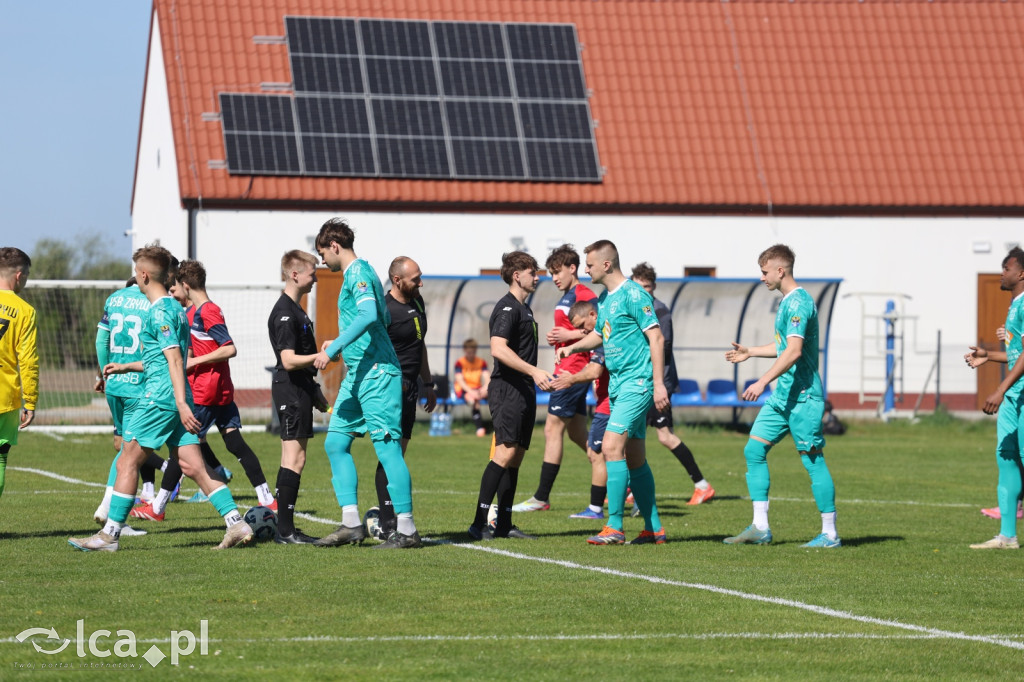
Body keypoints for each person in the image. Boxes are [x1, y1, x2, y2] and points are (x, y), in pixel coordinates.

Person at [69, 245, 252, 551]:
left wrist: (179, 404)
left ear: (143, 275)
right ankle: (236, 523)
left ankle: (109, 535)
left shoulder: (161, 311)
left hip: (161, 399)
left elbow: (176, 361)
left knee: (128, 459)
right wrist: (127, 365)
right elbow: (166, 356)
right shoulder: (176, 309)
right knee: (195, 467)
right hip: (176, 396)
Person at [311, 218, 421, 549]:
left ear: (334, 246)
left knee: (387, 449)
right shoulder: (363, 274)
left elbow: (370, 314)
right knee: (335, 443)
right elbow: (379, 320)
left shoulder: (358, 272)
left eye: (322, 254)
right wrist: (345, 341)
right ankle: (350, 525)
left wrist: (334, 346)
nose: (322, 262)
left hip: (377, 374)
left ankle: (407, 530)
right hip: (357, 374)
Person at [723, 244, 840, 548]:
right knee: (753, 451)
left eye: (764, 272)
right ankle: (760, 527)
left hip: (803, 399)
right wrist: (750, 352)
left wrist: (761, 381)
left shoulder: (799, 302)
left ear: (780, 270)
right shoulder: (787, 302)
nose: (761, 278)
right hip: (782, 397)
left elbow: (795, 351)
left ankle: (830, 534)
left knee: (813, 461)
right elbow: (783, 347)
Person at [557, 240, 668, 545]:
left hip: (637, 383)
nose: (585, 270)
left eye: (589, 264)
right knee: (634, 458)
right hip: (619, 386)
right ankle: (654, 528)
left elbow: (656, 338)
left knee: (610, 448)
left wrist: (658, 384)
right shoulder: (605, 298)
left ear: (606, 264)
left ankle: (615, 527)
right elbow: (598, 335)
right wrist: (572, 347)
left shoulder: (634, 294)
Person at [467, 251, 552, 540]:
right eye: (533, 272)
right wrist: (534, 371)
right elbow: (498, 348)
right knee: (503, 453)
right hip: (508, 389)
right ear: (517, 275)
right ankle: (479, 523)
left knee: (514, 456)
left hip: (524, 390)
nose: (537, 277)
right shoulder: (507, 308)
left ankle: (503, 524)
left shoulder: (524, 309)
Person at [513, 244, 595, 513]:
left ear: (573, 268)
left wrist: (568, 337)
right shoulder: (569, 294)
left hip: (573, 371)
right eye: (551, 273)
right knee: (576, 433)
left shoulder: (584, 294)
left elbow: (599, 330)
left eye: (557, 272)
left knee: (551, 430)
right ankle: (621, 480)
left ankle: (541, 498)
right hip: (569, 366)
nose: (554, 278)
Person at [630, 262, 715, 506]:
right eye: (638, 287)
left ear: (653, 287)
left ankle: (702, 485)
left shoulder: (660, 311)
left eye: (646, 287)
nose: (643, 291)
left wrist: (661, 386)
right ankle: (631, 488)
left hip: (658, 383)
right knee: (635, 436)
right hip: (640, 382)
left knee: (664, 437)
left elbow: (661, 346)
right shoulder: (636, 307)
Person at [92, 275, 167, 529]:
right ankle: (112, 515)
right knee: (128, 453)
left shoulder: (114, 298)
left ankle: (109, 510)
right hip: (141, 384)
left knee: (124, 447)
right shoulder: (154, 302)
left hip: (115, 383)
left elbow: (101, 341)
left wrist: (104, 373)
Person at [267, 249, 329, 544]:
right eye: (311, 273)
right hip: (289, 388)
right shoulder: (284, 312)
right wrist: (322, 355)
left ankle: (285, 527)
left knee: (292, 458)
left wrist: (314, 390)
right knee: (295, 458)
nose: (315, 278)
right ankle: (286, 531)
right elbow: (289, 360)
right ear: (294, 274)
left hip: (299, 389)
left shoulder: (298, 309)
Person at [964, 246, 1024, 549]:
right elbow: (1017, 355)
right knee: (1007, 459)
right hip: (1014, 397)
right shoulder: (1014, 305)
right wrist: (988, 356)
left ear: (1020, 273)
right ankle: (1007, 536)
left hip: (1019, 395)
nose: (1002, 273)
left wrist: (999, 389)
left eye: (1006, 268)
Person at [374, 255, 438, 539]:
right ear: (397, 280)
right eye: (415, 279)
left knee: (398, 454)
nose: (420, 283)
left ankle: (393, 522)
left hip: (412, 387)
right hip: (390, 390)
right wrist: (390, 382)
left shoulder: (417, 302)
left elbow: (418, 344)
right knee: (389, 456)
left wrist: (428, 382)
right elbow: (372, 353)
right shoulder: (384, 310)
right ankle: (389, 524)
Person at [551, 299, 610, 520]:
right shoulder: (604, 333)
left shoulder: (605, 334)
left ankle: (596, 508)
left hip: (610, 403)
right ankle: (634, 499)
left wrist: (571, 379)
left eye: (582, 325)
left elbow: (594, 370)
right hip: (612, 400)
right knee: (619, 454)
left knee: (596, 452)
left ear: (594, 315)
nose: (581, 331)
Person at [0, 247, 37, 505]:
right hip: (5, 397)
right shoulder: (24, 311)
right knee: (0, 457)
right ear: (19, 275)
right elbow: (28, 361)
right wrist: (30, 402)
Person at [453, 339, 489, 436]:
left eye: (473, 352)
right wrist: (471, 392)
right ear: (464, 351)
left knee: (494, 394)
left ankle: (500, 425)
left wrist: (485, 388)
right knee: (473, 400)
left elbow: (487, 378)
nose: (471, 354)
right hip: (463, 389)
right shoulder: (459, 363)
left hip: (478, 388)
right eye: (469, 352)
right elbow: (460, 381)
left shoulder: (482, 362)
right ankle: (480, 428)